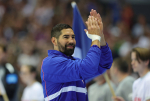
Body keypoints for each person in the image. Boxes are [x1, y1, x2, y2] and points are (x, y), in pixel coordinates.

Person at [41, 9, 113, 101]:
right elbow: (89, 67)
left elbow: (104, 64)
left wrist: (100, 37)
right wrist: (95, 38)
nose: (71, 41)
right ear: (54, 41)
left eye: (73, 37)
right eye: (66, 37)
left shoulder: (75, 62)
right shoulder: (50, 63)